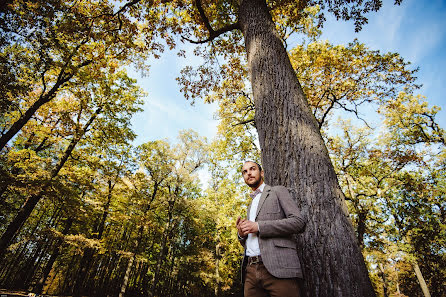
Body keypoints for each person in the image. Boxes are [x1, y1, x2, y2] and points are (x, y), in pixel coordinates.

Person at [236, 161, 306, 297]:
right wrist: (241, 234)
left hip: (279, 267)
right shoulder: (250, 205)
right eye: (245, 172)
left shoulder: (277, 191)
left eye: (252, 169)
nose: (248, 173)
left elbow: (298, 222)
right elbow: (252, 241)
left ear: (261, 173)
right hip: (250, 271)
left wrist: (259, 226)